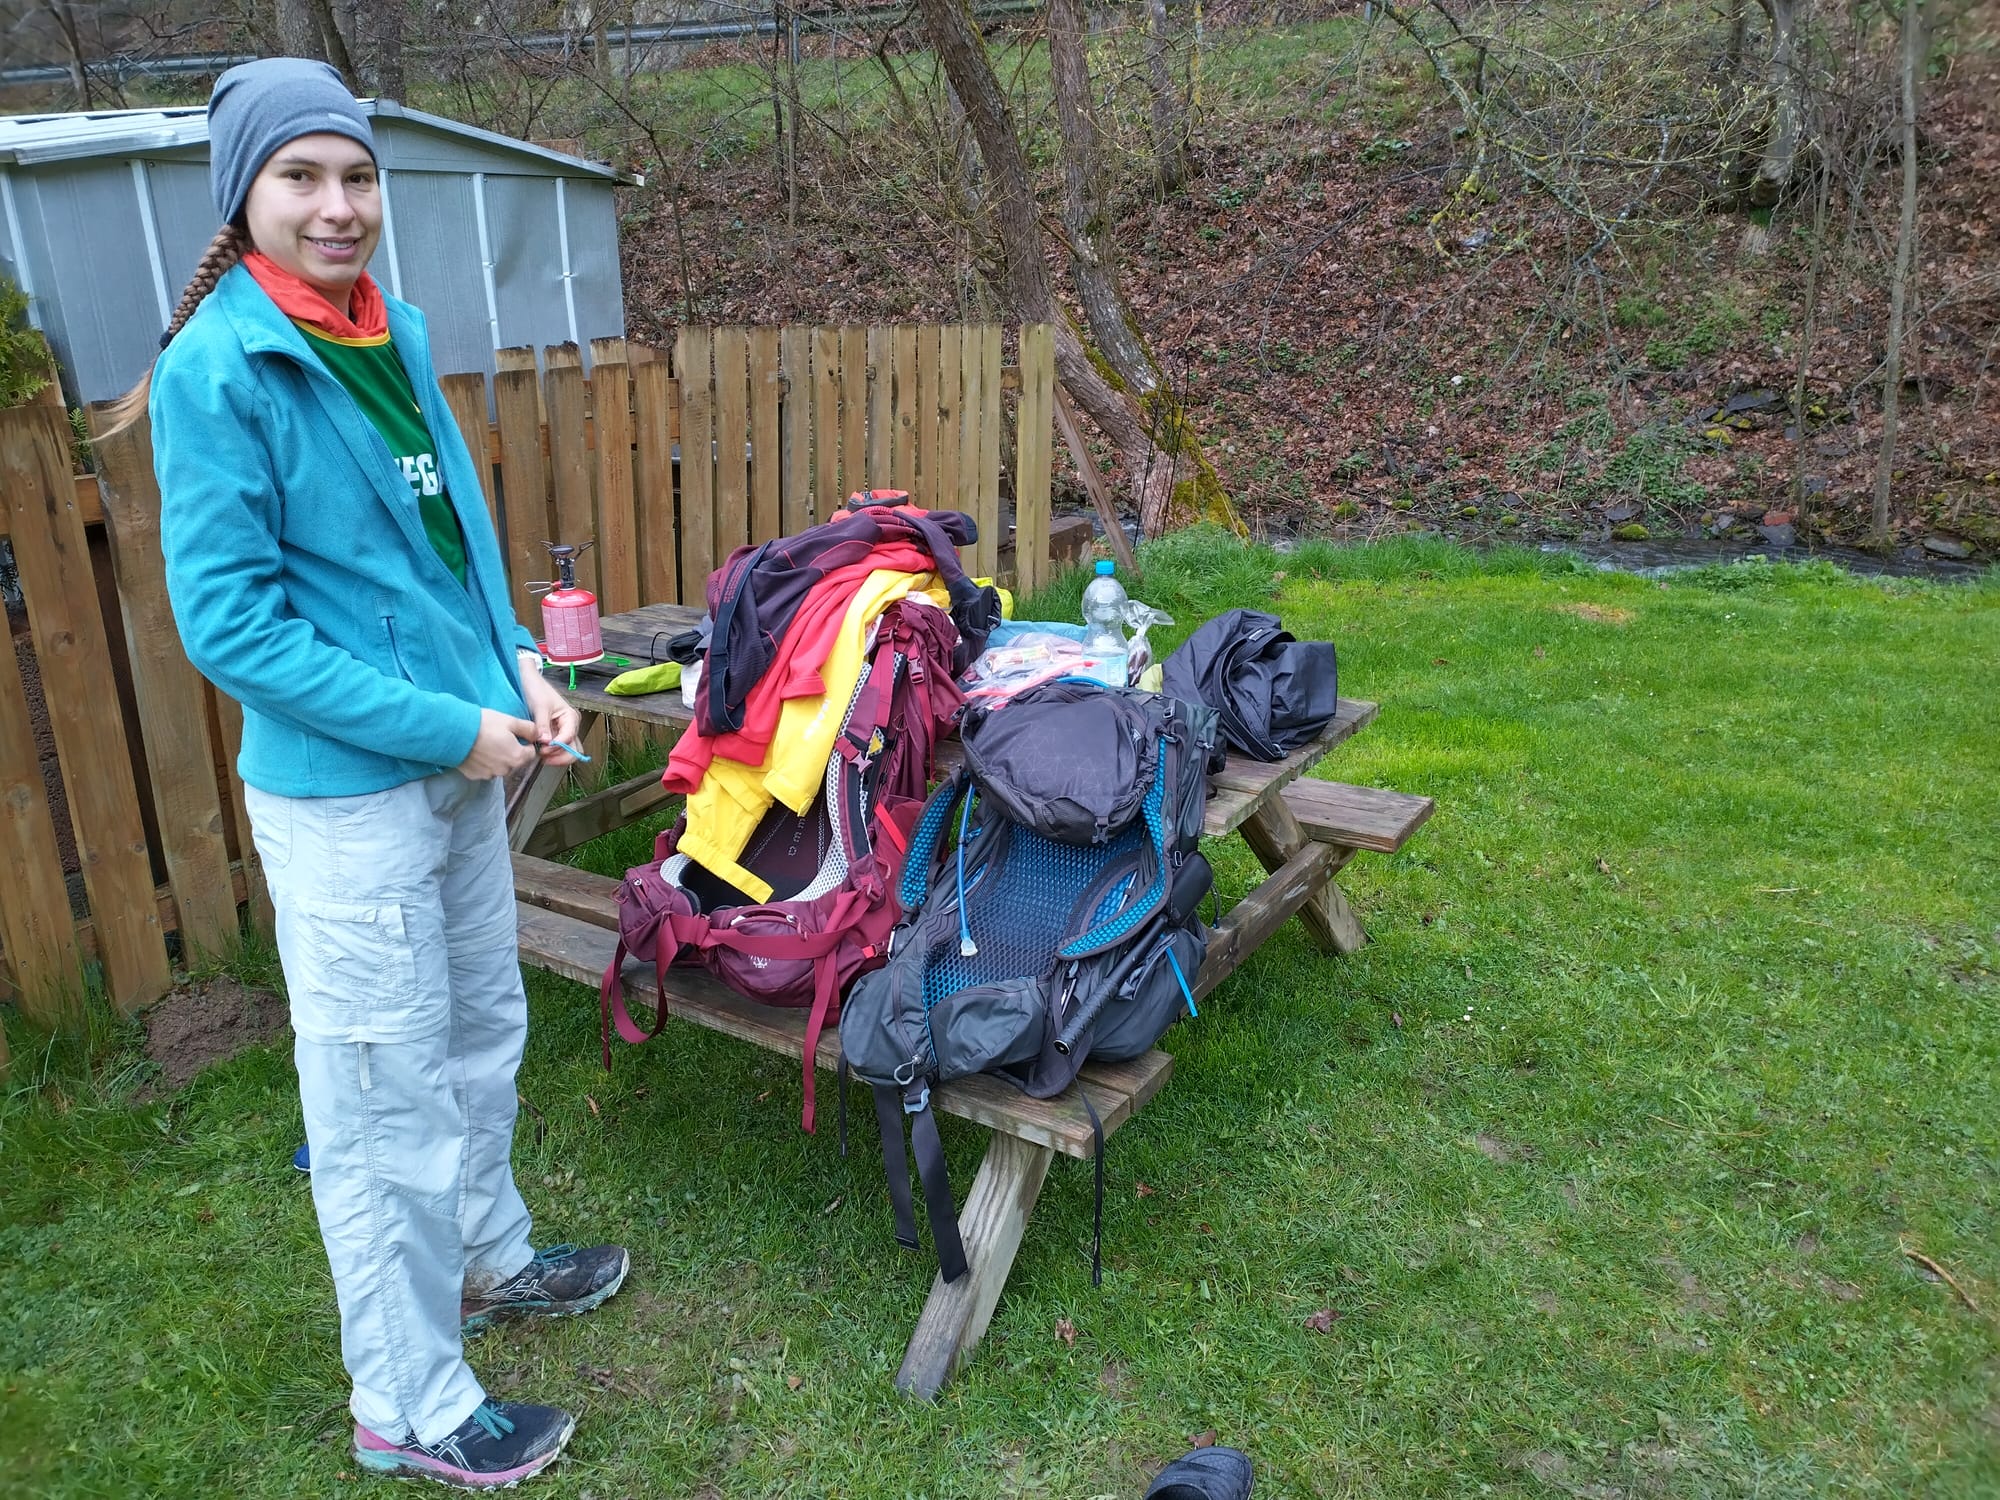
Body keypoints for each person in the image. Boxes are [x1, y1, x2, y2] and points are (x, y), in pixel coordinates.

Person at [117, 57, 625, 1490]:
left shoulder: (385, 326)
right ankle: (404, 1403)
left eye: (356, 176)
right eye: (302, 178)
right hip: (346, 798)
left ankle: (487, 1259)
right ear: (245, 196)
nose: (338, 207)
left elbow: (447, 536)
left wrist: (515, 664)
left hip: (455, 758)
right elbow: (232, 628)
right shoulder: (220, 368)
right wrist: (448, 728)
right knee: (379, 1100)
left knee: (476, 1029)